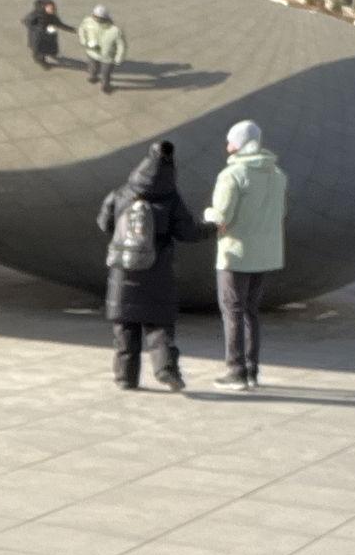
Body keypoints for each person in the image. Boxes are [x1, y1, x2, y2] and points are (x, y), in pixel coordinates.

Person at [97, 140, 205, 393]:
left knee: (125, 326)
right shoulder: (170, 199)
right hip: (157, 270)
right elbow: (188, 232)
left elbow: (104, 223)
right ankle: (166, 369)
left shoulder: (121, 193)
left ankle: (125, 377)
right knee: (158, 326)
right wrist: (211, 228)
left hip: (123, 269)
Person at [203, 118, 289, 392]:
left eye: (231, 140)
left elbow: (221, 216)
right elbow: (281, 213)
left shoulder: (232, 175)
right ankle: (252, 371)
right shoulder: (277, 175)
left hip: (235, 254)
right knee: (251, 312)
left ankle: (235, 371)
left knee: (232, 311)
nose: (227, 145)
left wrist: (207, 213)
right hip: (264, 255)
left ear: (238, 144)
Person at [78, 3, 125, 92]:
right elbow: (81, 29)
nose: (96, 19)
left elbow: (121, 45)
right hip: (92, 52)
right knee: (93, 67)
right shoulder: (88, 21)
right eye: (95, 16)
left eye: (99, 18)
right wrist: (84, 41)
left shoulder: (115, 30)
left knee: (105, 73)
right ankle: (93, 77)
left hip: (107, 57)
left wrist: (118, 58)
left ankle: (105, 85)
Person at [22, 0, 61, 69]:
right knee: (40, 48)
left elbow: (55, 19)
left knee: (48, 46)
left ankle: (45, 56)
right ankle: (41, 61)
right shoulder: (37, 12)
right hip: (38, 34)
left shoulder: (50, 10)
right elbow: (28, 21)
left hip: (47, 32)